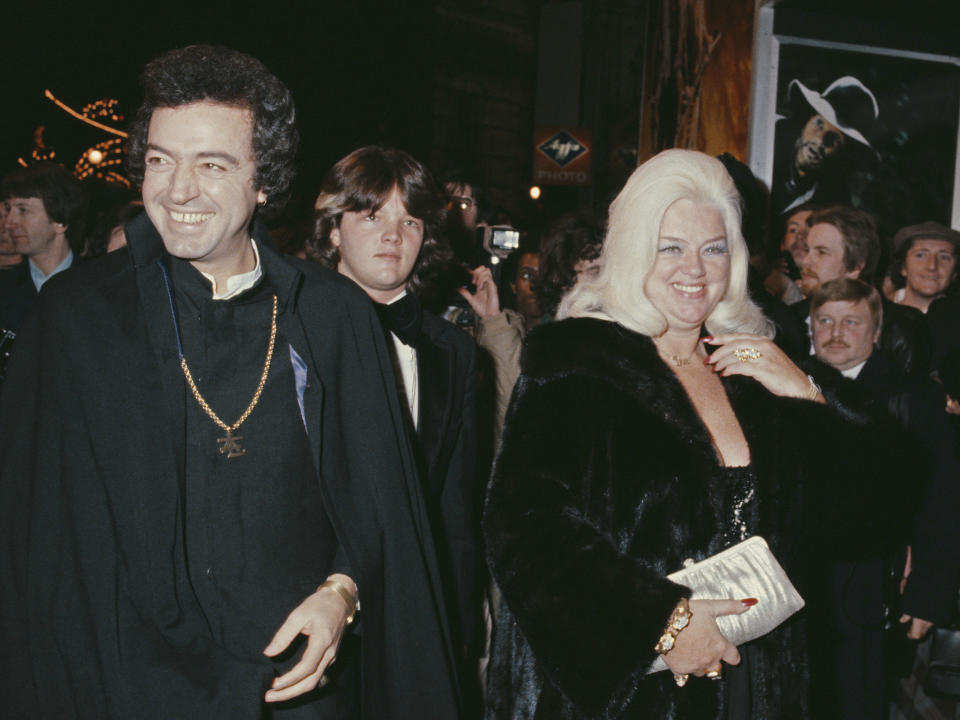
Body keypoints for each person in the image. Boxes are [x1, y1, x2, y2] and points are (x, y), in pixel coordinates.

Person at [0, 45, 461, 720]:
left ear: (263, 181)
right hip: (127, 688)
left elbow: (382, 507)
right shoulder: (77, 319)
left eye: (211, 164)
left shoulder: (331, 317)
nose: (178, 189)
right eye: (161, 160)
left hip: (299, 691)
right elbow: (36, 549)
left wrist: (342, 591)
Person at [484, 149, 905, 719]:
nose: (696, 269)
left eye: (714, 249)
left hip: (758, 681)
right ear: (634, 250)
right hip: (631, 689)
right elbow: (525, 529)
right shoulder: (576, 363)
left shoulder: (752, 367)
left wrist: (805, 390)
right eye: (672, 247)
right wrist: (663, 623)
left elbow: (862, 517)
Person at [310, 146, 481, 707]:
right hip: (310, 607)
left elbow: (455, 508)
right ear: (333, 230)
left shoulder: (454, 352)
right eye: (372, 215)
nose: (393, 235)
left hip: (414, 609)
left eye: (409, 220)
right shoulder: (286, 334)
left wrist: (456, 625)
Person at [807, 278, 960, 718]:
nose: (836, 332)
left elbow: (942, 501)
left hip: (872, 577)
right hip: (794, 573)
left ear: (877, 333)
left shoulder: (913, 398)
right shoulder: (780, 383)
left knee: (857, 695)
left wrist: (929, 593)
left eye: (852, 321)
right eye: (825, 320)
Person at [794, 205, 932, 380]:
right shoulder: (791, 318)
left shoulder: (901, 329)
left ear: (856, 266)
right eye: (807, 250)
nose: (806, 261)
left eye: (821, 252)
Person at [771, 76, 878, 215]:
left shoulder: (831, 200)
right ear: (807, 120)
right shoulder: (765, 133)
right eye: (819, 124)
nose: (820, 141)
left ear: (843, 152)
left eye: (833, 139)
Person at [0, 162, 87, 335]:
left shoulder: (98, 285)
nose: (8, 223)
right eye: (9, 209)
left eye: (23, 210)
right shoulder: (4, 288)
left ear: (59, 222)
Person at [887, 221, 959, 313]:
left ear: (954, 273)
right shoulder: (879, 315)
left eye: (944, 257)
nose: (932, 266)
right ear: (903, 267)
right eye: (920, 255)